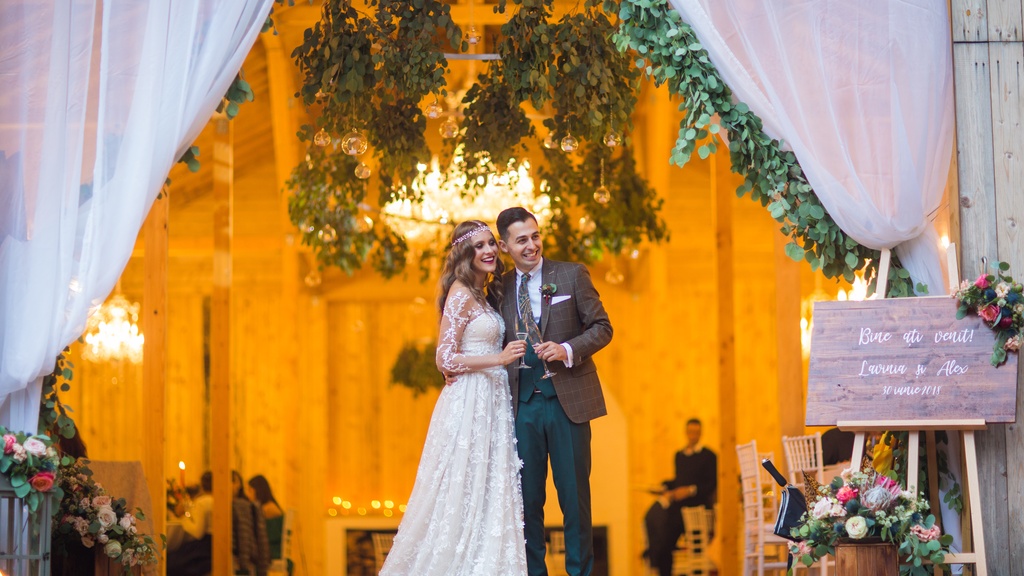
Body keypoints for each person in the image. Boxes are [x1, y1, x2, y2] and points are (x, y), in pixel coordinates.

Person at [380, 220, 528, 575]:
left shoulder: (486, 293)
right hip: (469, 402)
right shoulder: (461, 292)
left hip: (492, 402)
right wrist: (499, 358)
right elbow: (444, 358)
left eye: (491, 243)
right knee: (462, 486)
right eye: (478, 246)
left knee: (489, 488)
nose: (489, 251)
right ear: (464, 252)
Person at [496, 207, 613, 576]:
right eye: (521, 240)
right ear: (504, 246)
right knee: (528, 505)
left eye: (535, 236)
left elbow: (603, 328)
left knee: (575, 502)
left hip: (568, 404)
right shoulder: (497, 287)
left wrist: (566, 350)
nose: (531, 245)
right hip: (521, 407)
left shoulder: (571, 274)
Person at [644, 418, 717, 576]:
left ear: (700, 433)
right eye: (690, 432)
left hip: (697, 511)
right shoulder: (679, 456)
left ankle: (652, 554)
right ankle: (656, 559)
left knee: (691, 549)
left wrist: (690, 490)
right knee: (661, 538)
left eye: (696, 432)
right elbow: (679, 480)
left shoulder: (709, 456)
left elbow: (711, 485)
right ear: (686, 432)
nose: (693, 435)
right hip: (678, 512)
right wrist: (664, 487)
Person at [167, 471, 214, 576]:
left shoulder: (203, 502)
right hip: (214, 544)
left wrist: (183, 516)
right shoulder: (220, 500)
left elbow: (197, 532)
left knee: (171, 562)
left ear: (202, 485)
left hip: (205, 547)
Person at [248, 474, 290, 572]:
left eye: (250, 490)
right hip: (271, 547)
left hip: (272, 550)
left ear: (258, 490)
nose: (248, 494)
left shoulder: (268, 509)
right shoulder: (269, 506)